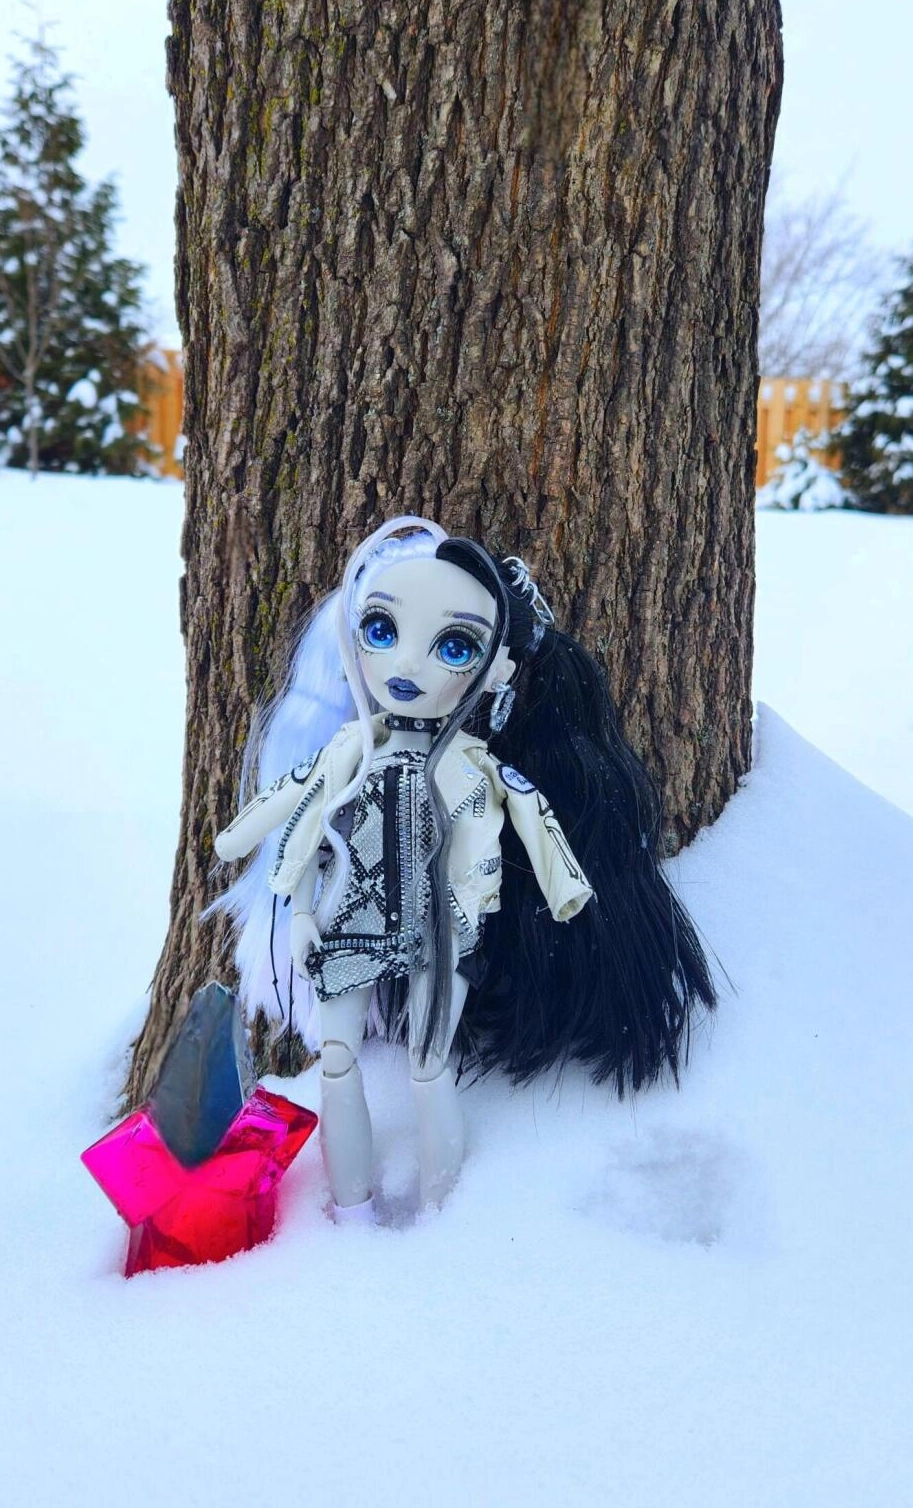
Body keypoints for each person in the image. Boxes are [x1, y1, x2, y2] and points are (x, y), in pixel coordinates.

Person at [209, 516, 715, 1221]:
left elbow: (534, 818)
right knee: (338, 1063)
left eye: (453, 647)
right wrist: (294, 909)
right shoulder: (353, 750)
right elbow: (302, 821)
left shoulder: (473, 769)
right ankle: (350, 1214)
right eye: (381, 631)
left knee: (429, 1066)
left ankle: (441, 1219)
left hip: (443, 929)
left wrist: (567, 892)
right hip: (347, 921)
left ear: (496, 671)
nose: (407, 667)